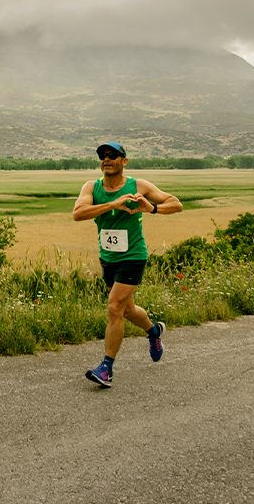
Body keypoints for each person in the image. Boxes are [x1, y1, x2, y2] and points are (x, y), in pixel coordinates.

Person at [73, 141, 182, 388]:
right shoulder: (92, 187)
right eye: (103, 156)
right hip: (108, 258)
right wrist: (113, 204)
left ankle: (106, 369)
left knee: (114, 307)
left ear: (124, 161)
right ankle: (154, 332)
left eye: (113, 155)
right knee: (128, 310)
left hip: (133, 256)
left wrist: (151, 208)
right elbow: (78, 213)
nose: (107, 159)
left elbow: (176, 203)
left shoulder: (138, 186)